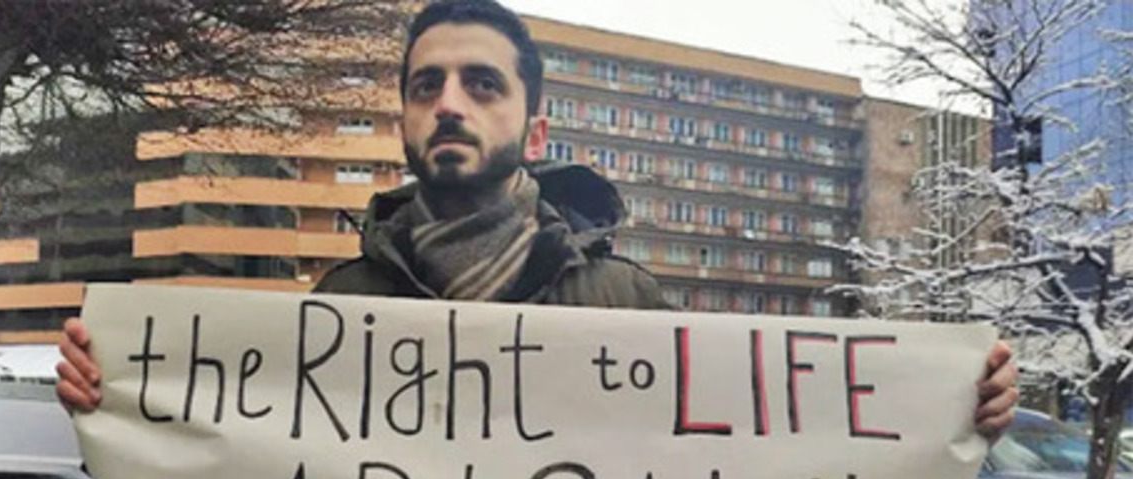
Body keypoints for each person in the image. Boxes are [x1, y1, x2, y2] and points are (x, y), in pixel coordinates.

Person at [57, 0, 1018, 437]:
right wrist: (123, 405)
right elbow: (257, 468)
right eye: (426, 85)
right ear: (401, 116)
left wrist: (943, 409)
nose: (450, 105)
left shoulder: (627, 301)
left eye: (481, 84)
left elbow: (735, 471)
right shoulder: (341, 304)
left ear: (533, 120)